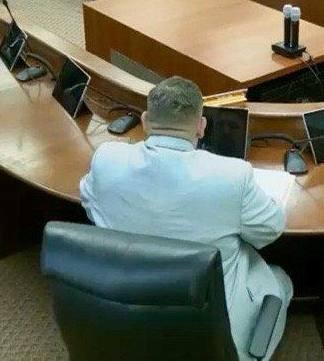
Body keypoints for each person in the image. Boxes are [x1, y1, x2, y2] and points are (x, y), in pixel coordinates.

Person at [80, 76, 292, 361]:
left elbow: (90, 201)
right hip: (208, 338)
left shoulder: (106, 159)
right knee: (279, 280)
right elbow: (271, 228)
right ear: (202, 126)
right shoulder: (233, 176)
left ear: (144, 120)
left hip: (121, 316)